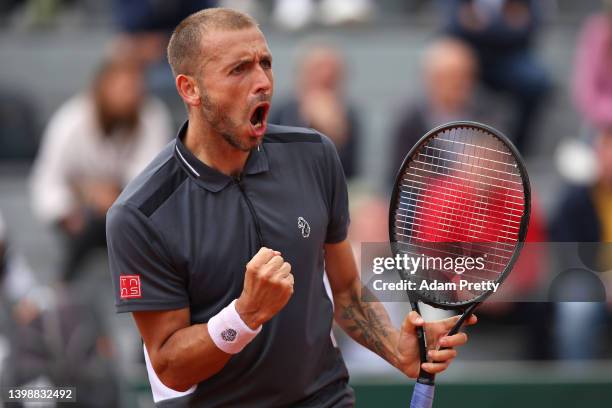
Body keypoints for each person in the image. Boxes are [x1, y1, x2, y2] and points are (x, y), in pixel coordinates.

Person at [106, 8, 476, 407]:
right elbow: (170, 366)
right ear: (190, 90)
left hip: (324, 397)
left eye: (266, 64)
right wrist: (243, 317)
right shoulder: (140, 213)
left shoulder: (314, 156)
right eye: (239, 70)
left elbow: (347, 291)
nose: (262, 82)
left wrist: (395, 349)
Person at [30, 57, 171, 282]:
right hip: (81, 218)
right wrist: (71, 210)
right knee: (90, 227)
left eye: (136, 87)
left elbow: (152, 176)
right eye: (123, 88)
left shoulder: (152, 115)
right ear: (102, 88)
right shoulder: (69, 121)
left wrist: (114, 194)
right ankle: (64, 289)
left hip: (136, 217)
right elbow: (48, 180)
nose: (131, 95)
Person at [440, 0, 551, 154]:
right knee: (443, 67)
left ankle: (517, 152)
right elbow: (453, 23)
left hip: (510, 57)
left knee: (537, 82)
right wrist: (505, 24)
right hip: (467, 53)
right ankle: (444, 148)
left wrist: (481, 25)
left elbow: (530, 26)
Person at [389, 37, 489, 185]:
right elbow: (400, 177)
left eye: (465, 76)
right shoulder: (408, 121)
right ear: (429, 79)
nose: (459, 83)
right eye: (450, 76)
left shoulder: (490, 113)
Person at [270, 43, 360, 179]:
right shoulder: (282, 112)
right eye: (318, 69)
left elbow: (349, 171)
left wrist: (334, 131)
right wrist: (306, 122)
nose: (326, 75)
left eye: (333, 72)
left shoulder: (349, 116)